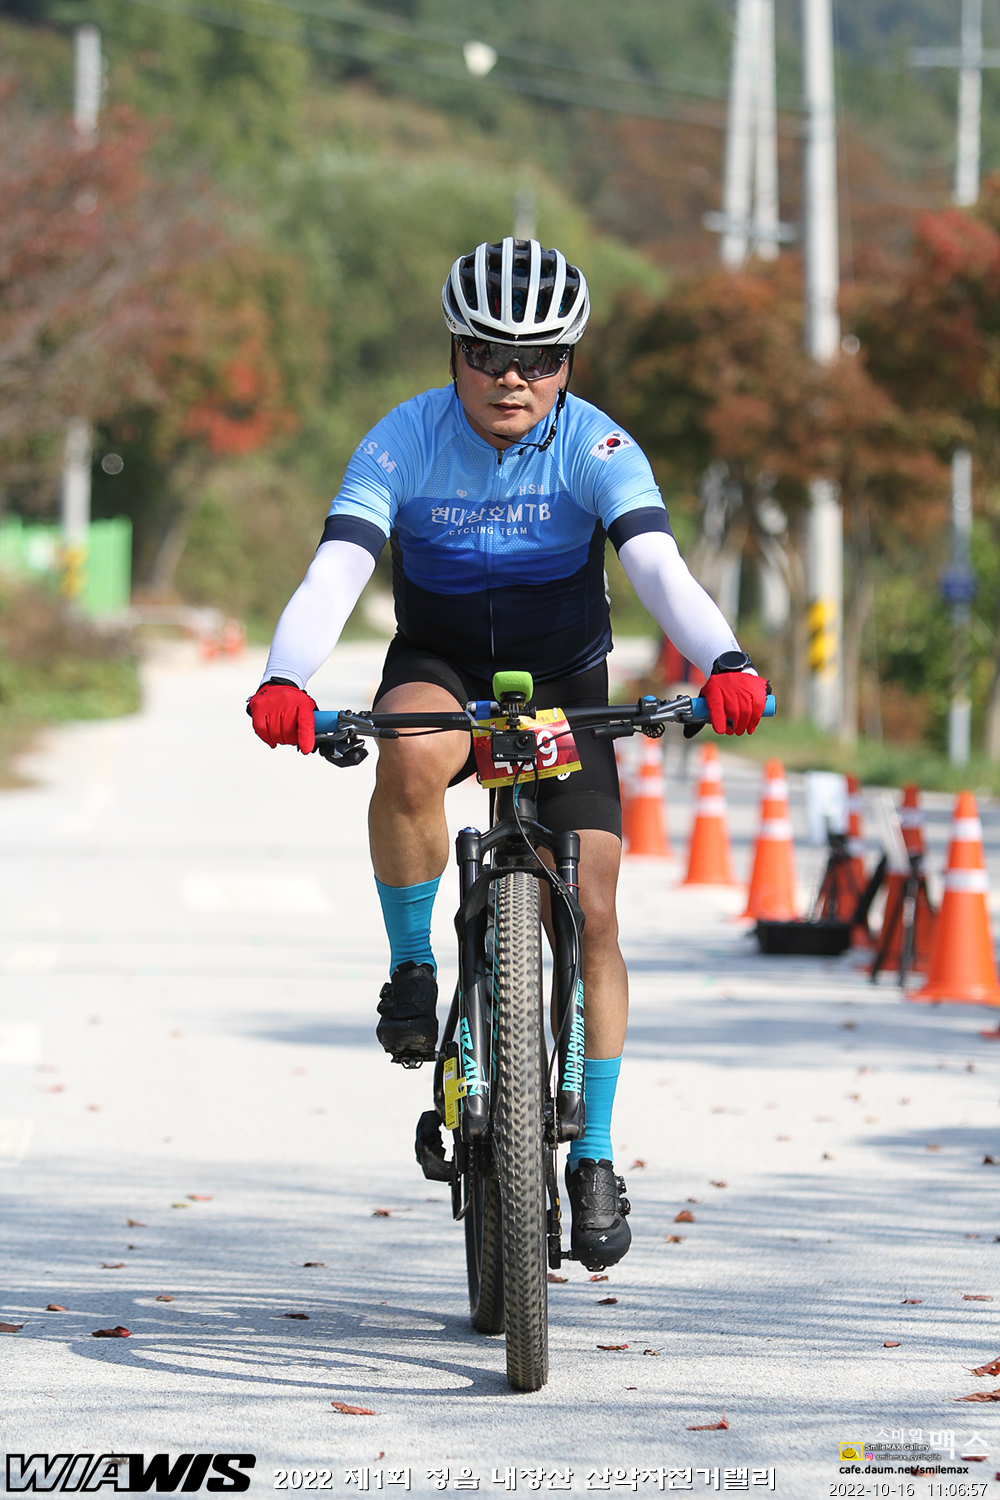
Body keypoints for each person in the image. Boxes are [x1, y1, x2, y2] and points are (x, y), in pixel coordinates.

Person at [248, 238, 766, 1270]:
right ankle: (411, 965)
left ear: (568, 365)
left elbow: (657, 566)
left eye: (539, 358)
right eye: (488, 353)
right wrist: (284, 676)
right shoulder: (402, 440)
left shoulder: (600, 447)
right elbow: (337, 569)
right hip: (440, 664)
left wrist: (725, 658)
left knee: (598, 908)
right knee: (407, 757)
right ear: (455, 353)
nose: (512, 377)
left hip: (564, 684)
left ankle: (597, 1152)